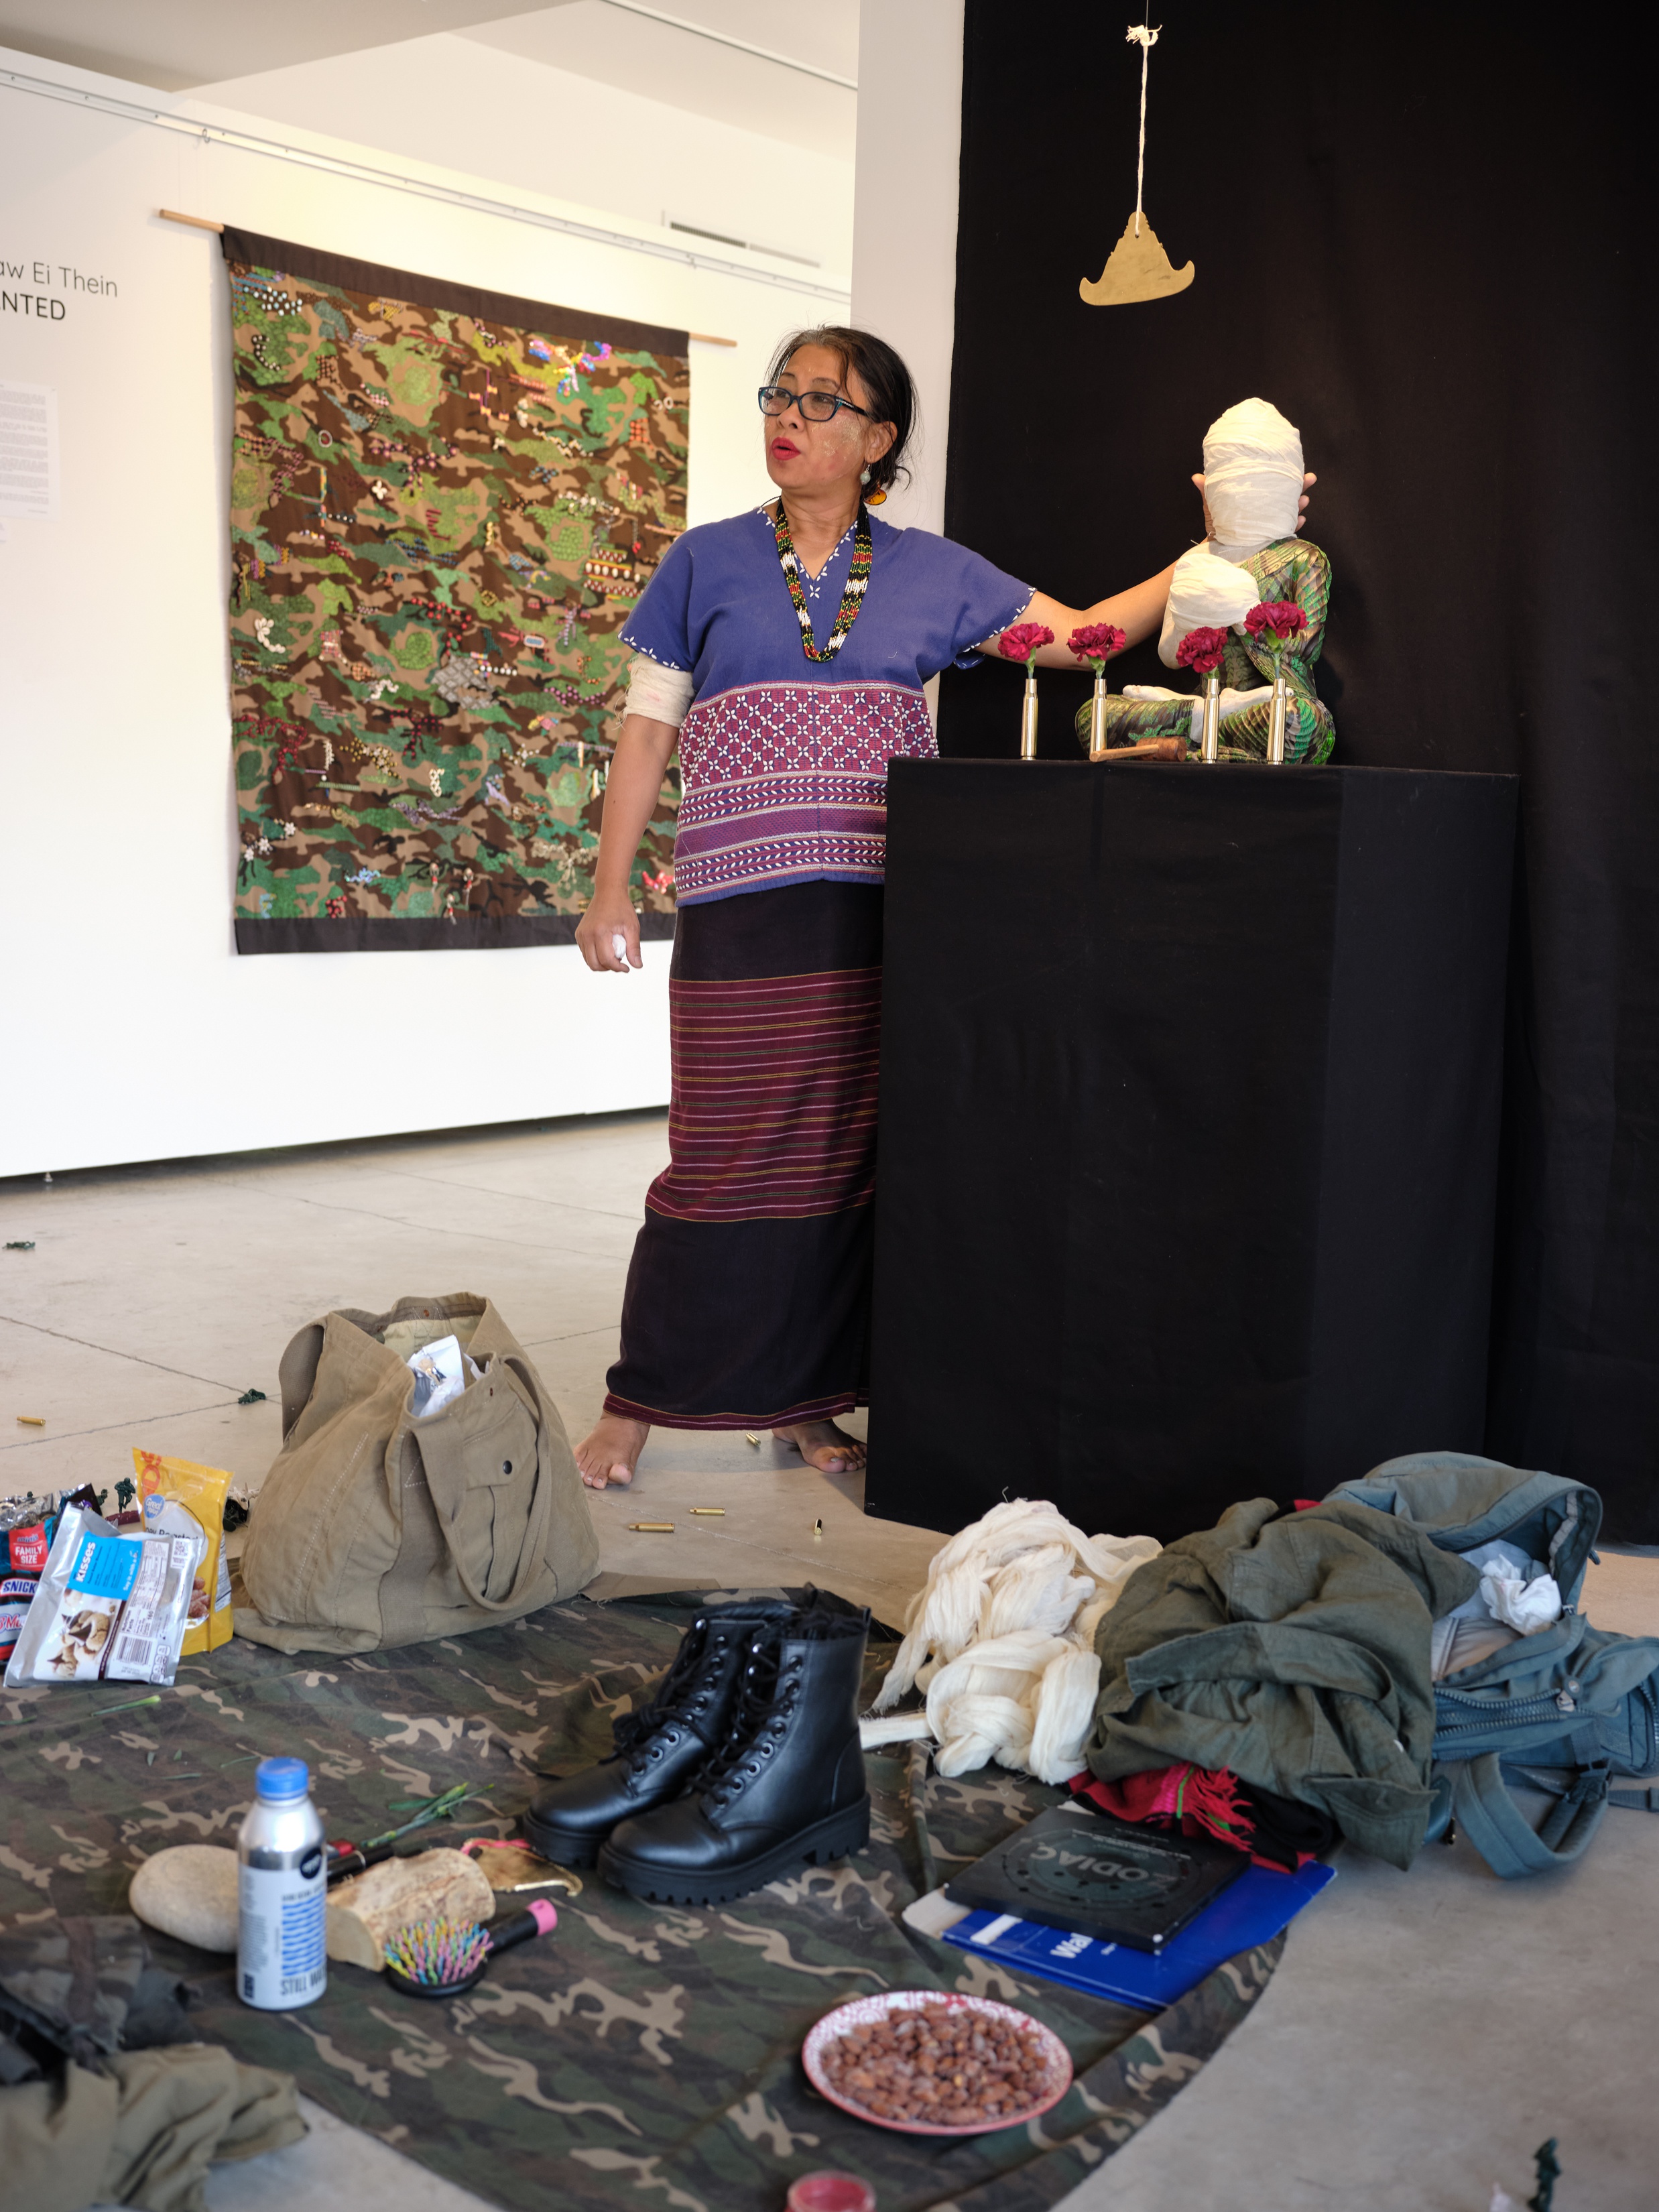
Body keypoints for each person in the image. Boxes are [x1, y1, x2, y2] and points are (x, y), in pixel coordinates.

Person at [571, 328, 1308, 1490]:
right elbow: (648, 729)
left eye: (823, 403)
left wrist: (1211, 552)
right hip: (739, 914)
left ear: (879, 439)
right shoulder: (702, 562)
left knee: (838, 1166)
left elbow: (1085, 640)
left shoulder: (935, 573)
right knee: (715, 1161)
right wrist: (610, 888)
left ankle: (808, 1410)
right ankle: (640, 1402)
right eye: (783, 395)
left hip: (877, 917)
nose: (792, 417)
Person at [1074, 397, 1331, 763]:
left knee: (1302, 723)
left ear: (1290, 487)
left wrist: (1246, 614)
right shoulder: (1197, 560)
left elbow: (1305, 648)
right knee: (1094, 718)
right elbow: (1170, 655)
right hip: (1208, 702)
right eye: (1233, 480)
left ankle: (1192, 741)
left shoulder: (1304, 558)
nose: (1244, 492)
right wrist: (1189, 619)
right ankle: (1204, 719)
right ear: (1208, 489)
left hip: (1270, 707)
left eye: (1258, 481)